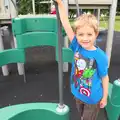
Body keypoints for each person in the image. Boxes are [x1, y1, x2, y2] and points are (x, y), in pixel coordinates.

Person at [55, 0, 109, 120]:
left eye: (89, 34)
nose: (85, 38)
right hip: (78, 93)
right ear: (76, 34)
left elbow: (105, 77)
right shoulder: (77, 46)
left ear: (96, 34)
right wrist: (60, 4)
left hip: (92, 99)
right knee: (81, 116)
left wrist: (104, 97)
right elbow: (65, 23)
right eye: (81, 34)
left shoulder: (100, 56)